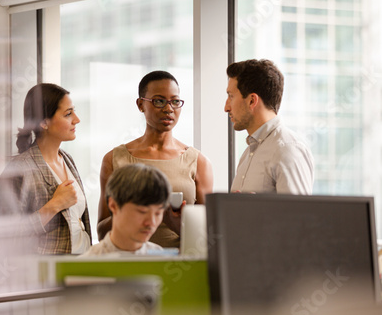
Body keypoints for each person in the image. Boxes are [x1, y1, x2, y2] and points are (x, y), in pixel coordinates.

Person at [97, 70, 214, 248]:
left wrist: (178, 225)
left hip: (181, 266)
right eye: (159, 101)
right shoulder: (114, 159)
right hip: (128, 263)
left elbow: (209, 236)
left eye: (175, 101)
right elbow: (101, 232)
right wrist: (129, 211)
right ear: (140, 104)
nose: (168, 109)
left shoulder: (198, 162)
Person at [0, 83, 92, 255]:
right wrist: (54, 205)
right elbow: (6, 236)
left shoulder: (67, 159)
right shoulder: (19, 169)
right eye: (68, 114)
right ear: (44, 123)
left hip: (83, 263)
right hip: (48, 273)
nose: (76, 119)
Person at [225, 59, 314, 194]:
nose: (226, 107)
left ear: (252, 100)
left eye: (231, 96)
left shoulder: (288, 149)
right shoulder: (248, 153)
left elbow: (300, 214)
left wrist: (257, 210)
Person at [82, 164, 170, 256]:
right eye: (142, 212)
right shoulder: (86, 264)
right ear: (113, 205)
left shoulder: (161, 260)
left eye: (158, 213)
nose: (151, 223)